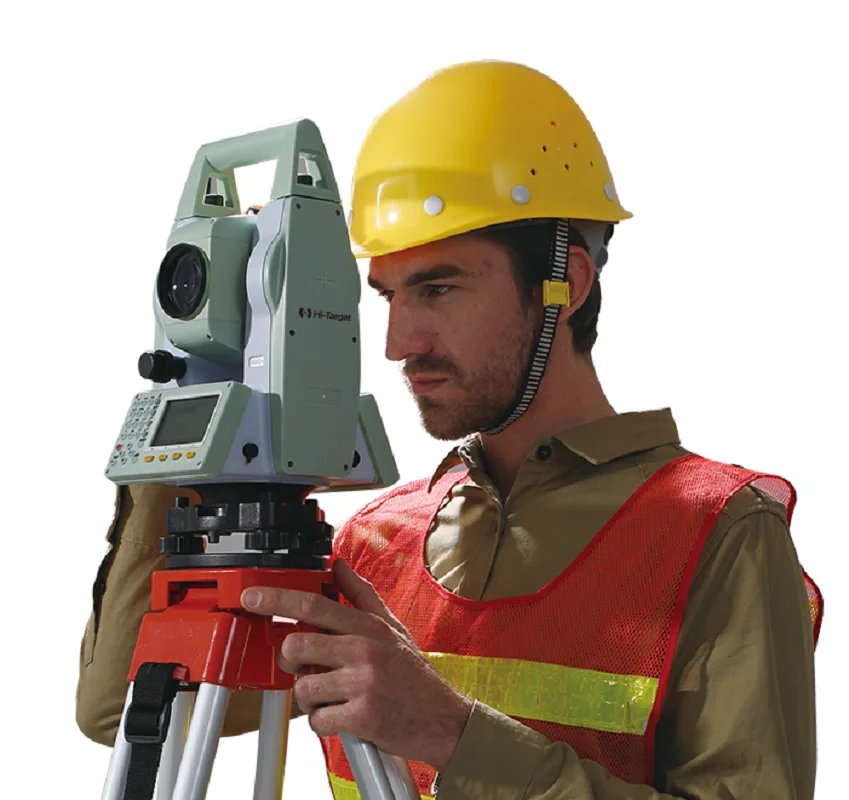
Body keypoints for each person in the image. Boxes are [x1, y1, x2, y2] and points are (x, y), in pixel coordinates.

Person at [78, 60, 823, 799]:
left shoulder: (717, 530)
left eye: (438, 288)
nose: (398, 344)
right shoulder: (373, 544)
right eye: (386, 296)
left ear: (567, 284)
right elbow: (121, 711)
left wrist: (454, 736)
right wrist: (193, 434)